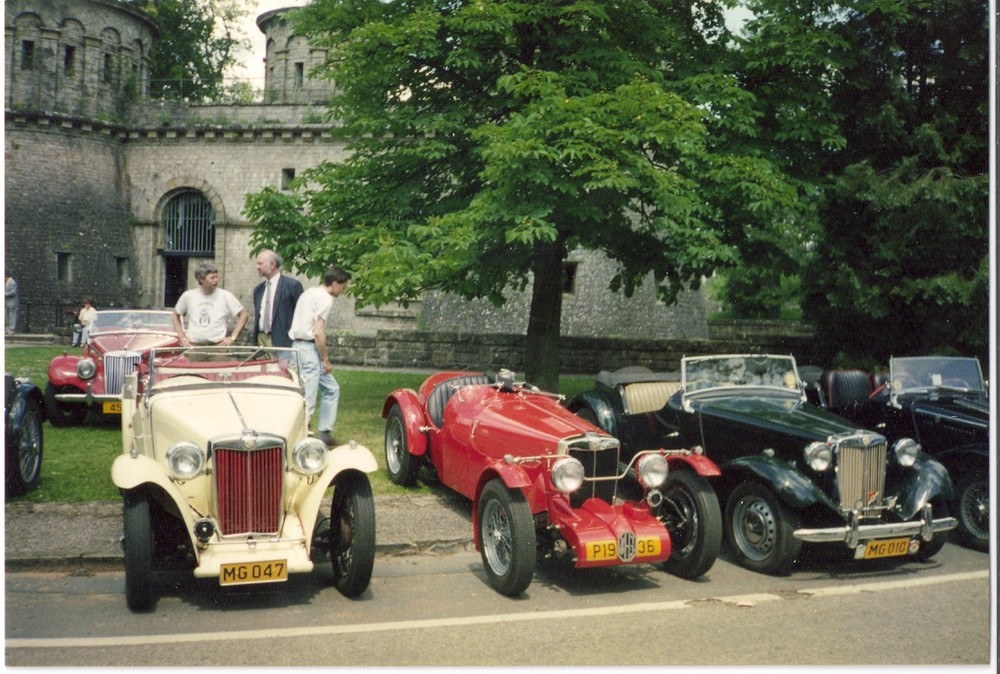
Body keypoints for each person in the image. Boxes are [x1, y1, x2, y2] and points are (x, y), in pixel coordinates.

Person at [288, 266, 350, 446]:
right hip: (308, 348)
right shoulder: (326, 299)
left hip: (298, 346)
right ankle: (301, 436)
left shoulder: (309, 293)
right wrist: (326, 359)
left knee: (332, 388)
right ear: (335, 283)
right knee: (309, 395)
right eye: (343, 287)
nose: (343, 291)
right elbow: (318, 333)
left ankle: (325, 432)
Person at [171, 261, 249, 346]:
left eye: (216, 277)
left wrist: (233, 337)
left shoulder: (226, 296)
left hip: (218, 346)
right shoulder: (188, 296)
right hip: (195, 345)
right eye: (212, 278)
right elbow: (175, 315)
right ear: (201, 279)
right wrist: (182, 337)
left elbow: (244, 315)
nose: (216, 280)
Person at [251, 249, 303, 348]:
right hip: (260, 342)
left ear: (272, 264)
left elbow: (301, 315)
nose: (257, 267)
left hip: (283, 342)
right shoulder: (258, 290)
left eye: (260, 264)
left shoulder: (292, 286)